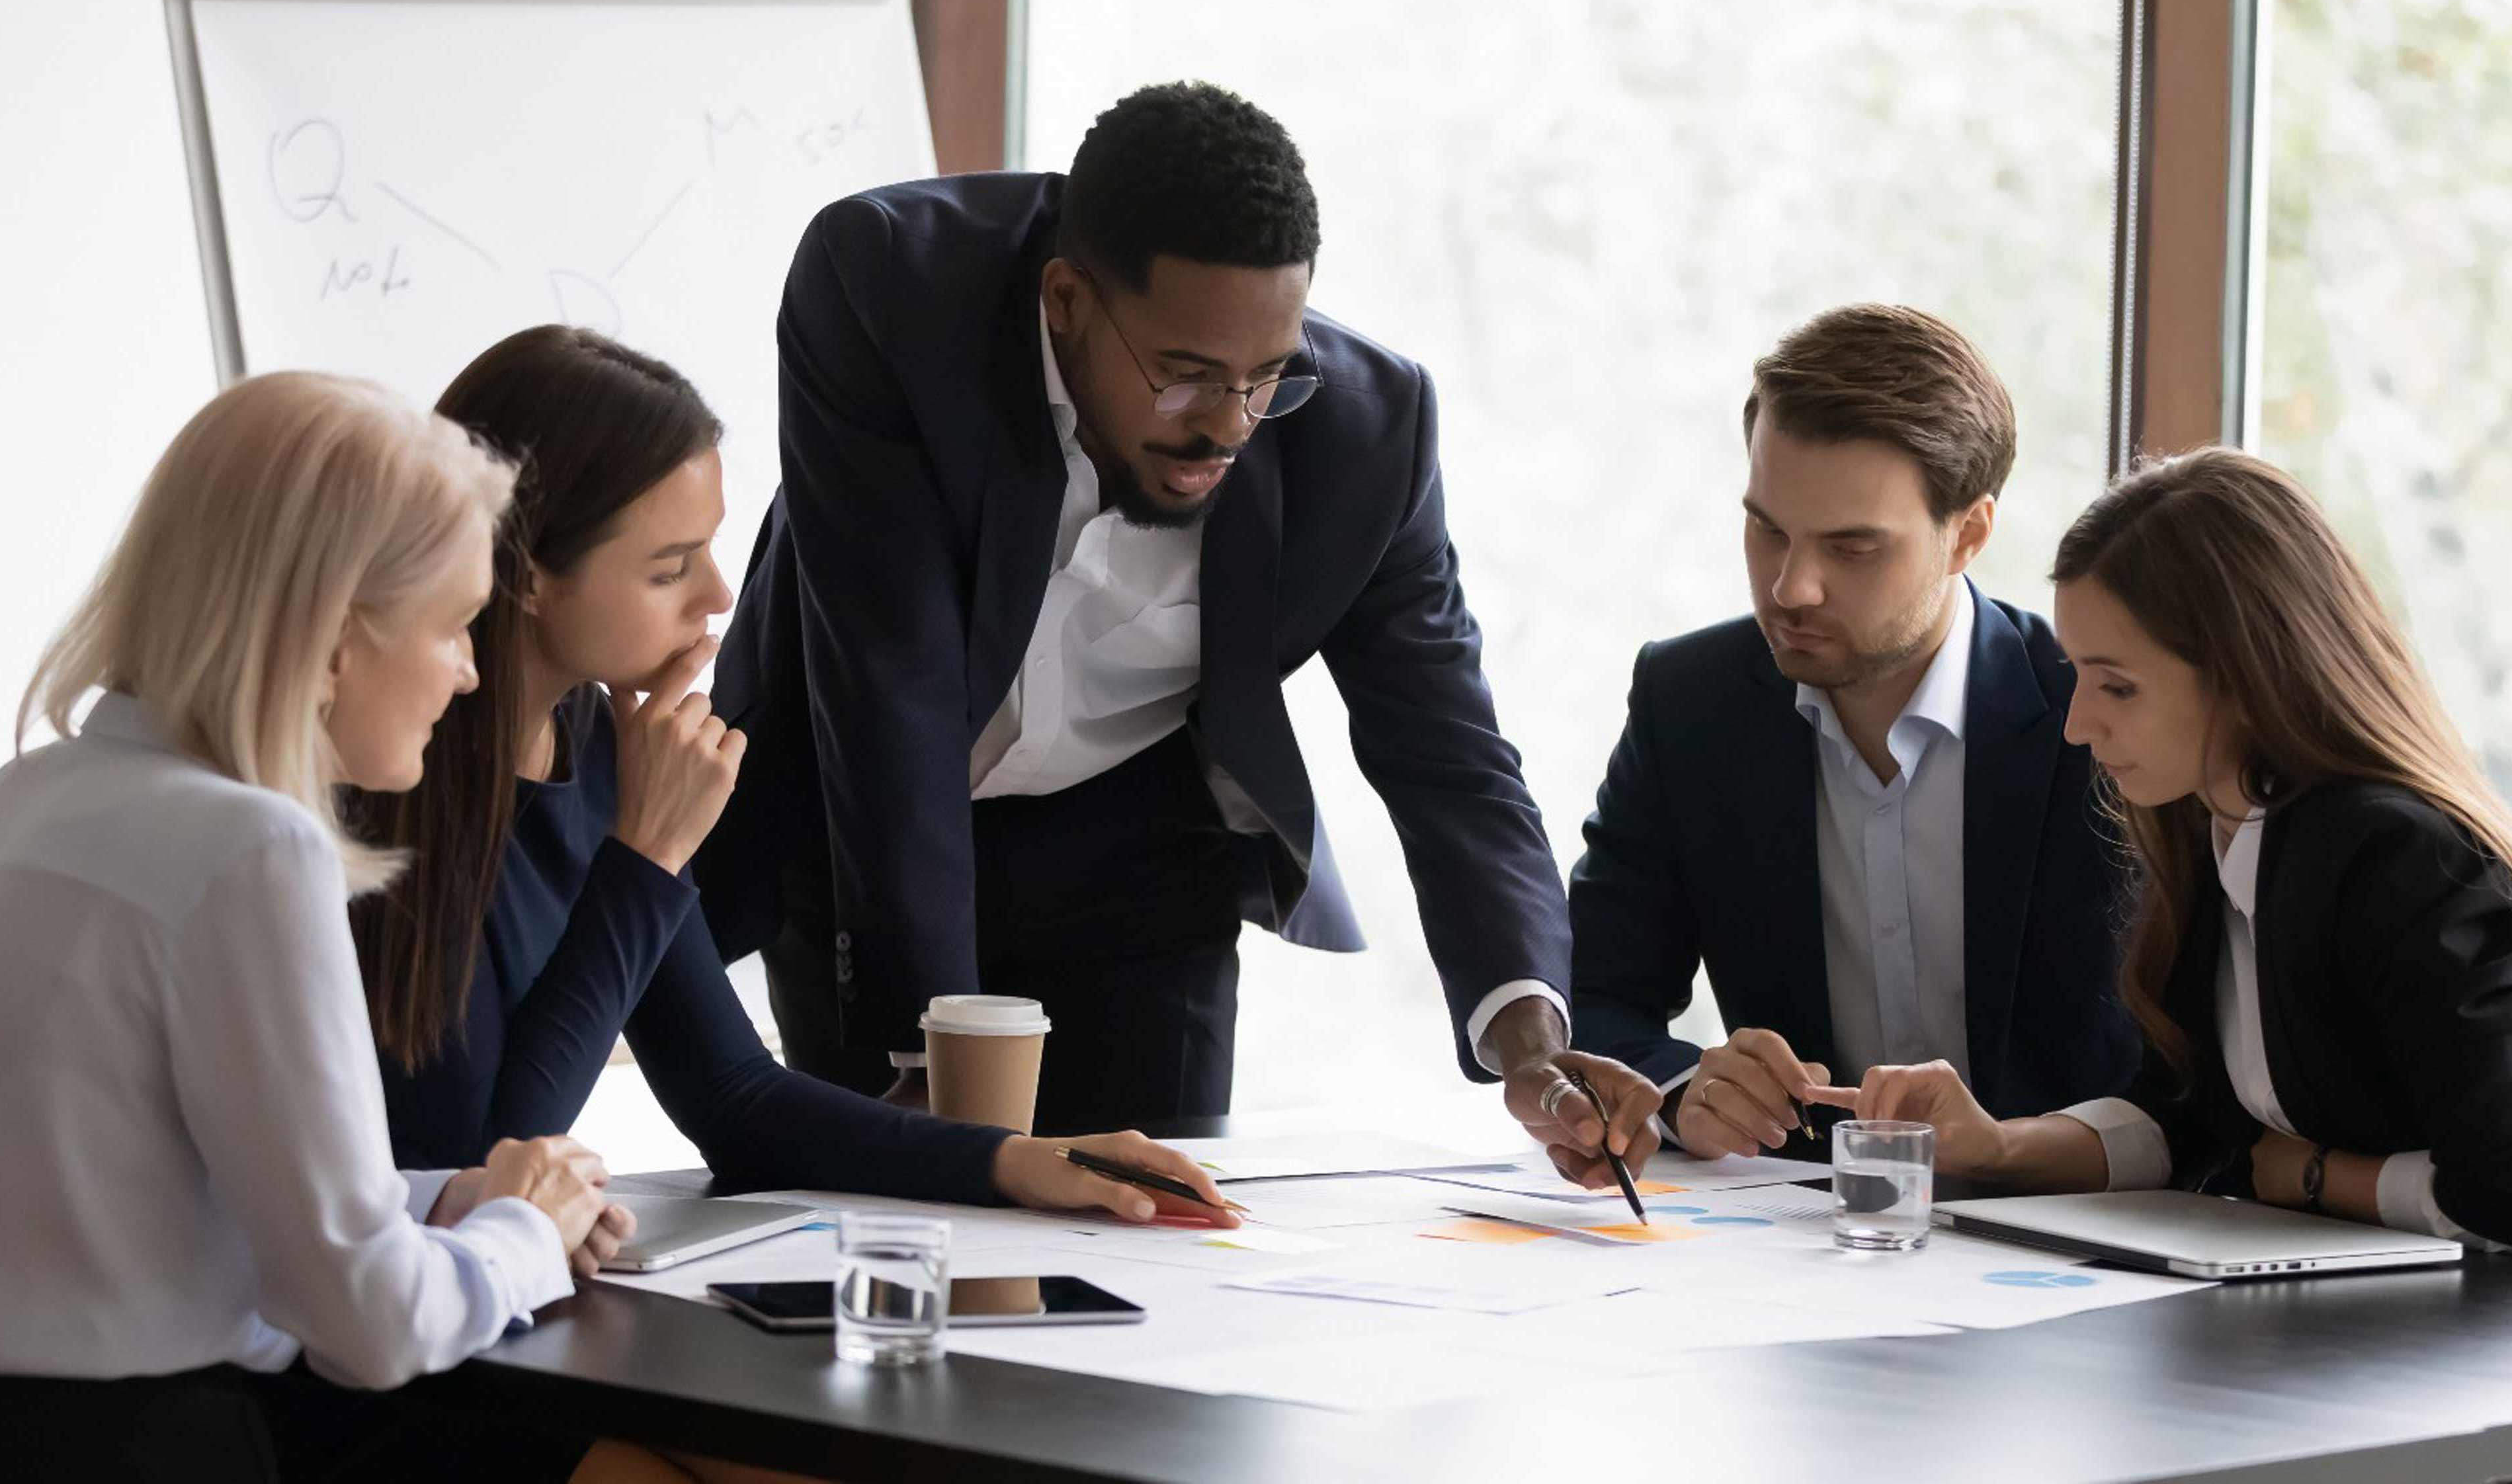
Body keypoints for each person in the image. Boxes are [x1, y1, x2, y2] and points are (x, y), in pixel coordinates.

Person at [697, 80, 1652, 1168]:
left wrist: (1531, 1040)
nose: (1229, 427)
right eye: (1187, 377)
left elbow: (1448, 746)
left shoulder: (1365, 429)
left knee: (1155, 1237)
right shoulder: (888, 290)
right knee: (898, 1228)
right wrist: (935, 1055)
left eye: (1267, 377)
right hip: (875, 835)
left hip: (1138, 863)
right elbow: (889, 686)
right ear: (1066, 302)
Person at [349, 325, 1244, 1226]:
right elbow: (479, 1167)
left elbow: (734, 1098)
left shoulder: (603, 746)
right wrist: (649, 855)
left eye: (707, 549)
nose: (718, 596)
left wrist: (1016, 1161)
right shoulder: (384, 774)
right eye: (669, 569)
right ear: (527, 573)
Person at [0, 372, 622, 1479]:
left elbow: (154, 1197)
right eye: (456, 625)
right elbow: (372, 1322)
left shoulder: (27, 796)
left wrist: (450, 1197)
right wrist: (527, 1239)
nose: (470, 675)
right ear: (333, 641)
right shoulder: (253, 852)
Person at [1810, 447, 2512, 1250]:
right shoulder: (2215, 829)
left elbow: (2496, 1182)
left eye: (2118, 686)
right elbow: (2184, 1120)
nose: (2077, 725)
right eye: (2077, 675)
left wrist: (2316, 1177)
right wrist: (1995, 1144)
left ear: (2248, 672)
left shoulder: (2394, 856)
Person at [1566, 305, 2138, 1178]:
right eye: (1768, 529)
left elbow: (2187, 1074)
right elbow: (1592, 998)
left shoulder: (2095, 716)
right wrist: (1686, 1090)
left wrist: (2014, 1152)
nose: (1792, 587)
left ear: (1970, 535)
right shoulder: (1692, 703)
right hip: (1806, 1237)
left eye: (1853, 547)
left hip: (2071, 1234)